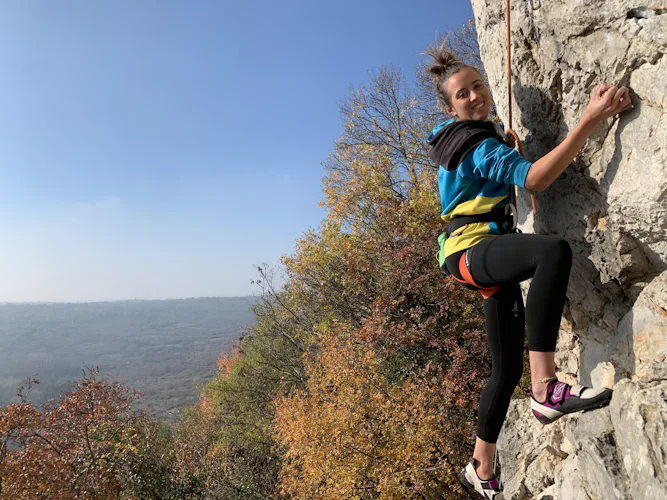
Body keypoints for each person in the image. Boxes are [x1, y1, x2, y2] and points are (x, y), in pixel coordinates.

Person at [425, 48, 633, 500]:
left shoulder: (466, 140)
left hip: (471, 253)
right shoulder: (478, 145)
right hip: (473, 249)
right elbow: (536, 179)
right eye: (464, 94)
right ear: (450, 107)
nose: (477, 96)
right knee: (551, 253)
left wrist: (505, 147)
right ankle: (545, 388)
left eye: (479, 85)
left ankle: (480, 465)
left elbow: (501, 175)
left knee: (504, 370)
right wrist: (592, 116)